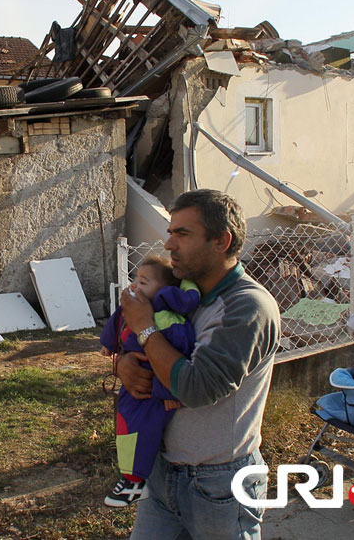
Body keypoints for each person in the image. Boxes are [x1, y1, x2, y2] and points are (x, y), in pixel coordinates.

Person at [117, 189, 281, 539]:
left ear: (222, 241)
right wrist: (123, 364)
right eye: (170, 232)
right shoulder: (184, 295)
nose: (169, 244)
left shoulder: (247, 307)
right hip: (163, 472)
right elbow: (148, 349)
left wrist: (144, 327)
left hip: (219, 484)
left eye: (183, 234)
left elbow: (196, 388)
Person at [100, 254, 200, 507]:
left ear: (165, 291)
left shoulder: (168, 318)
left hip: (154, 389)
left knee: (141, 428)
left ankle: (134, 480)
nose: (135, 285)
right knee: (125, 424)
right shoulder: (134, 306)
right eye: (136, 279)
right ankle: (130, 476)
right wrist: (111, 347)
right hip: (134, 383)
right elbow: (117, 320)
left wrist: (170, 393)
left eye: (144, 282)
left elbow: (181, 354)